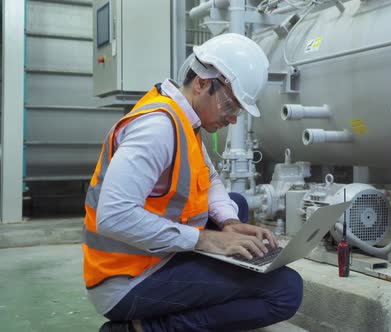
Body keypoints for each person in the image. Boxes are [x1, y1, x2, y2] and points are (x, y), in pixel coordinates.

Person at [83, 33, 303, 332]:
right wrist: (206, 240)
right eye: (230, 105)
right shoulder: (157, 129)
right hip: (125, 281)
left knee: (234, 206)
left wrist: (226, 223)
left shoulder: (184, 120)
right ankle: (142, 329)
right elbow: (114, 216)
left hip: (154, 256)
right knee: (285, 290)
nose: (233, 119)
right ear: (201, 82)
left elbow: (209, 177)